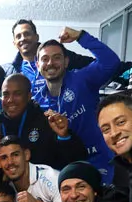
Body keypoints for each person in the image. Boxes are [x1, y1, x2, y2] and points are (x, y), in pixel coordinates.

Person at [32, 29, 121, 183]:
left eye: (56, 58)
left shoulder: (82, 78)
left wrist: (81, 37)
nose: (50, 63)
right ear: (37, 64)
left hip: (97, 160)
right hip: (64, 168)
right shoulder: (37, 101)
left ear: (66, 61)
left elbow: (111, 62)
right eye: (44, 59)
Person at [0, 74, 86, 170]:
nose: (10, 100)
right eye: (6, 94)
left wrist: (64, 137)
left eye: (17, 94)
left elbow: (76, 161)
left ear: (29, 96)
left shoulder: (47, 122)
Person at [0, 19, 95, 81]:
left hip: (62, 119)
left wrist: (80, 36)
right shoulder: (9, 70)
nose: (23, 39)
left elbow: (100, 65)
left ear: (36, 37)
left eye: (27, 34)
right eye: (18, 36)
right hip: (27, 126)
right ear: (14, 43)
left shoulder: (59, 56)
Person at [0, 135, 62, 202]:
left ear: (26, 155)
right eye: (4, 158)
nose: (10, 162)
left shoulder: (50, 177)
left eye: (15, 155)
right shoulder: (5, 188)